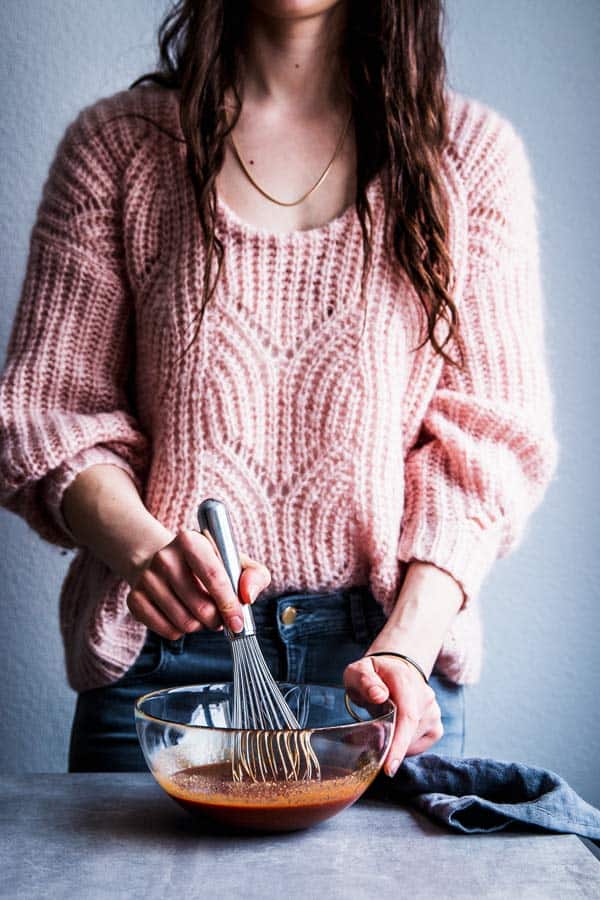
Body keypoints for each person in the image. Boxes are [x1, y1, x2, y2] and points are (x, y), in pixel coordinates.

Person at [0, 0, 558, 775]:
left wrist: (406, 643)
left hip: (380, 673)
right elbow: (48, 413)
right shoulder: (117, 150)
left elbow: (487, 447)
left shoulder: (464, 157)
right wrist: (142, 549)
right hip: (165, 676)